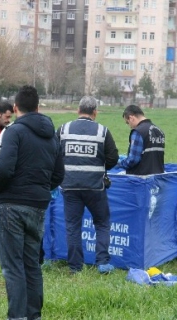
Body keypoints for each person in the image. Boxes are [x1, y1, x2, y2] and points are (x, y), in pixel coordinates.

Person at [0, 85, 64, 320]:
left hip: (12, 205)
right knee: (31, 263)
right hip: (38, 206)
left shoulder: (14, 132)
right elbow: (58, 174)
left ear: (16, 108)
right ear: (39, 107)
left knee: (12, 265)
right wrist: (41, 190)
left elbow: (3, 169)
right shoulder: (52, 135)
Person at [57, 96, 119, 274]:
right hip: (95, 186)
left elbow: (53, 153)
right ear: (95, 112)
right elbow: (113, 158)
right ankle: (102, 263)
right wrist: (100, 167)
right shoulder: (102, 131)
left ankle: (75, 267)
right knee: (101, 223)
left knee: (73, 226)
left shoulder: (64, 129)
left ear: (78, 111)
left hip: (69, 186)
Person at [119, 105, 165, 175]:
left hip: (141, 180)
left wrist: (119, 164)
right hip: (158, 178)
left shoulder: (138, 132)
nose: (129, 126)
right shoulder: (159, 131)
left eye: (127, 123)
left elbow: (133, 160)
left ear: (131, 118)